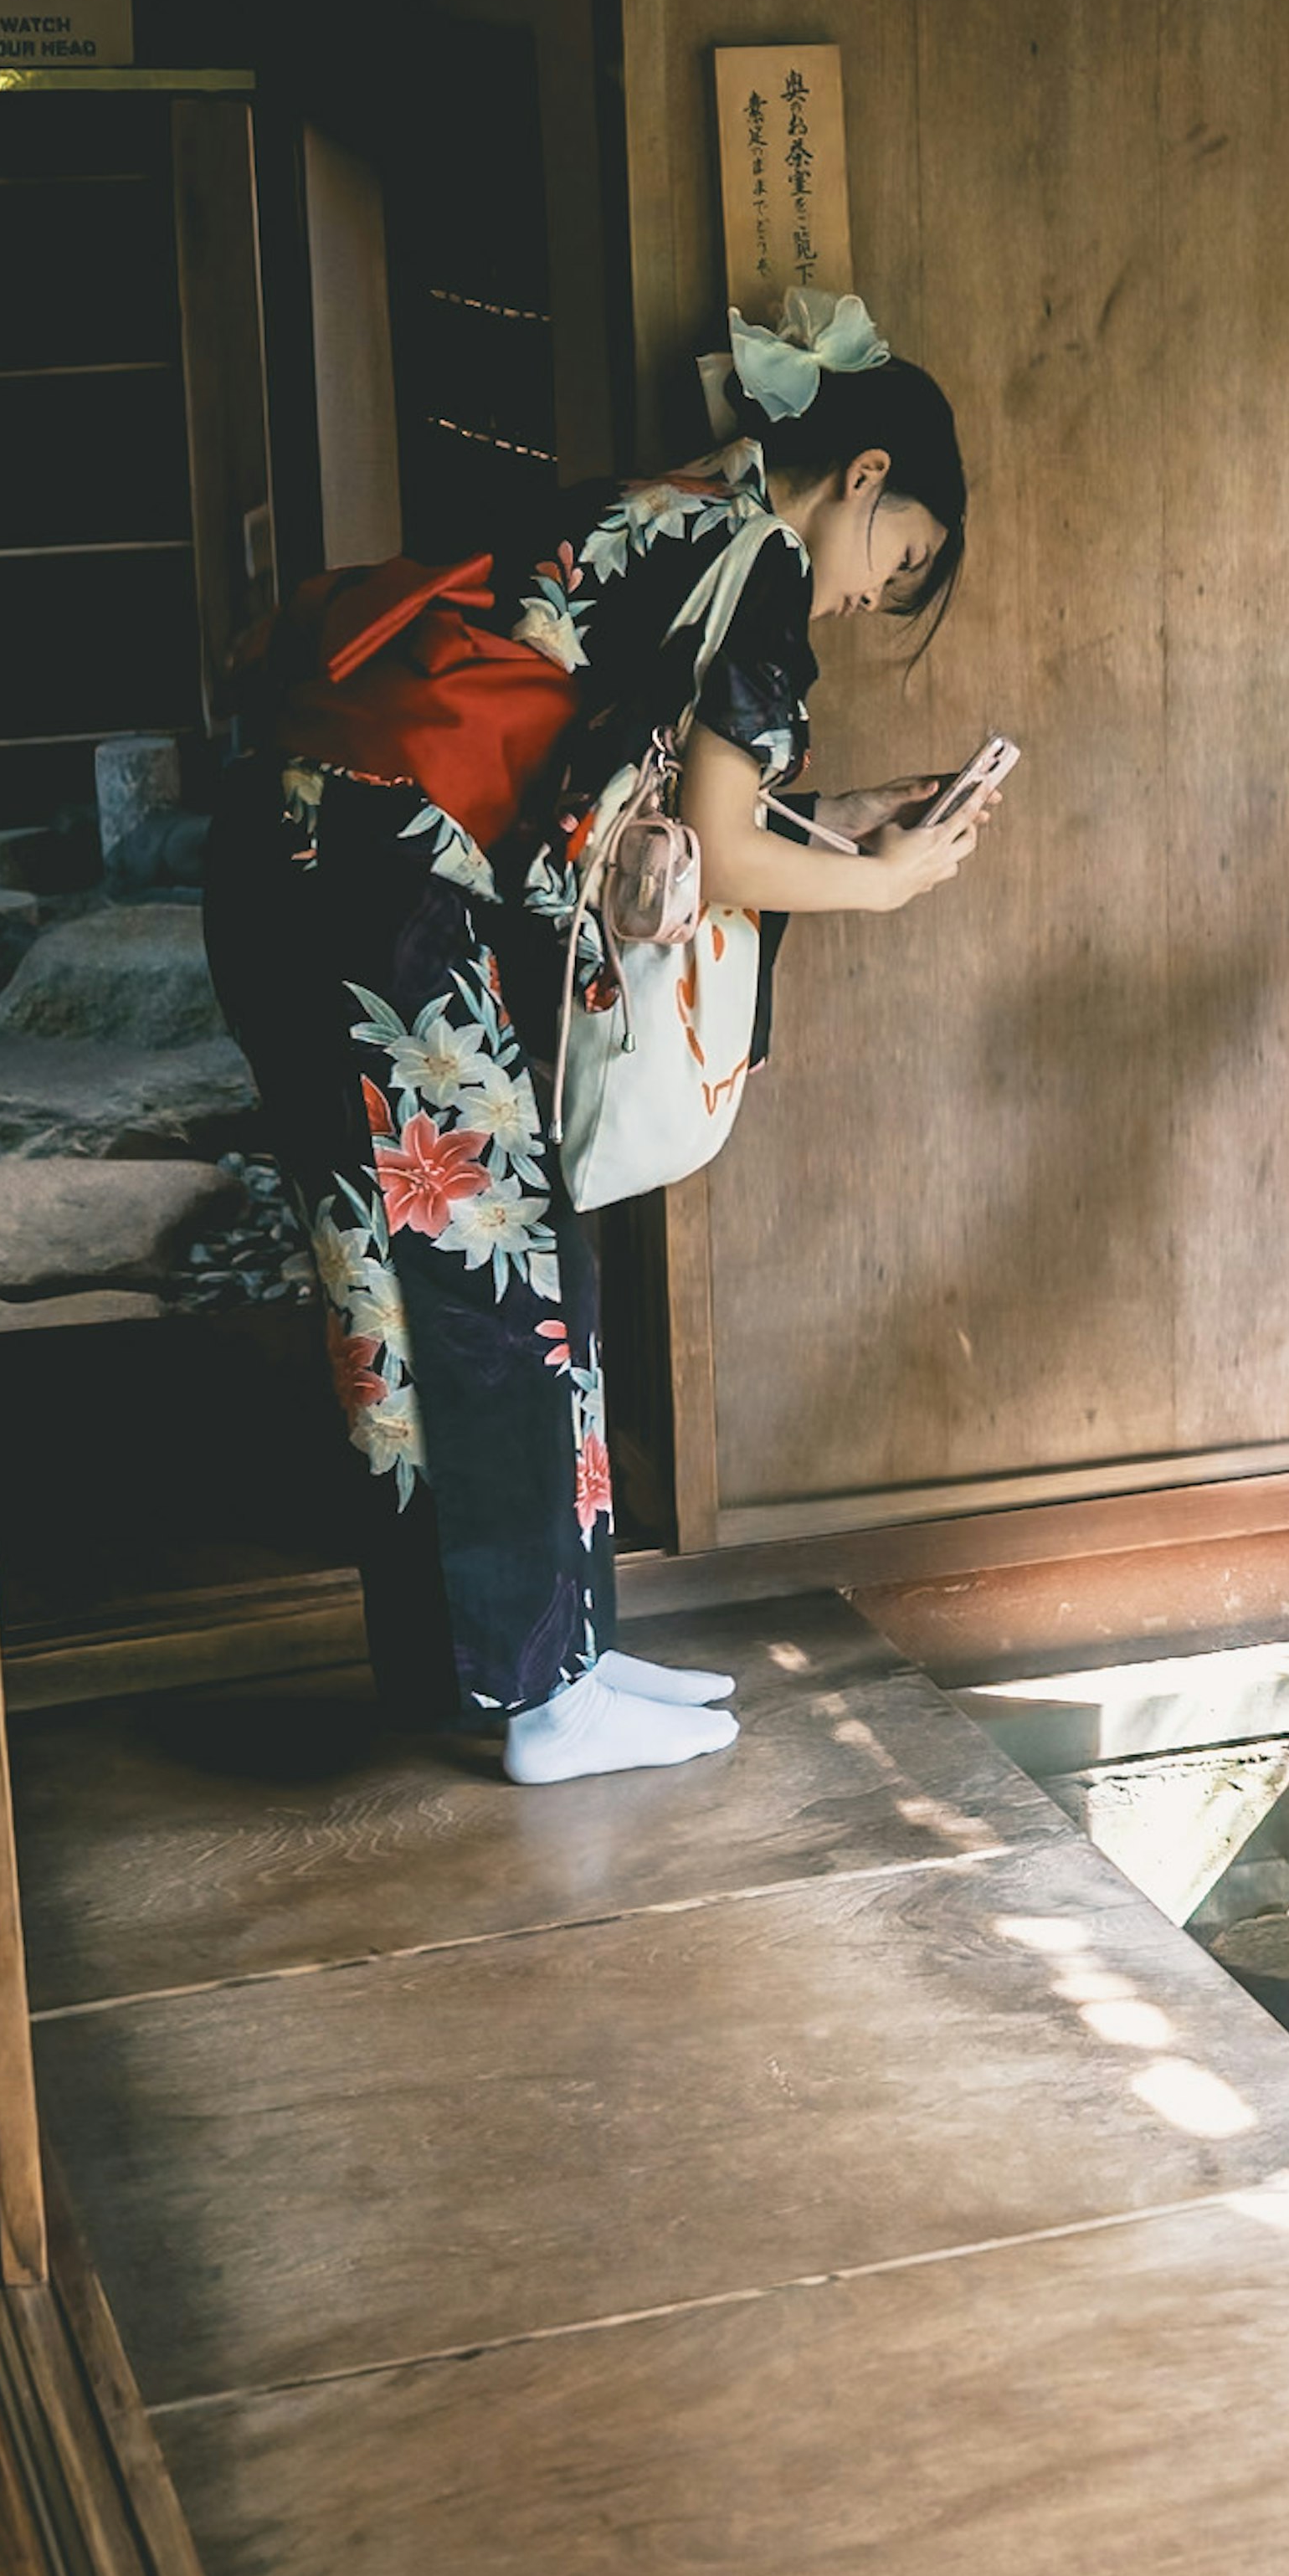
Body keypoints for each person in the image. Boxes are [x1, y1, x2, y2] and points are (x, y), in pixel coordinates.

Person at [206, 295, 989, 1781]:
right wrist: (882, 881)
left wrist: (850, 824)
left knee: (486, 1268)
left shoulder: (691, 511)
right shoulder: (757, 558)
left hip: (326, 869)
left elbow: (695, 818)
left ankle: (555, 1657)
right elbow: (721, 846)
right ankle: (536, 1700)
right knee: (480, 1274)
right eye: (896, 565)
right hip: (369, 886)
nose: (869, 602)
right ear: (865, 476)